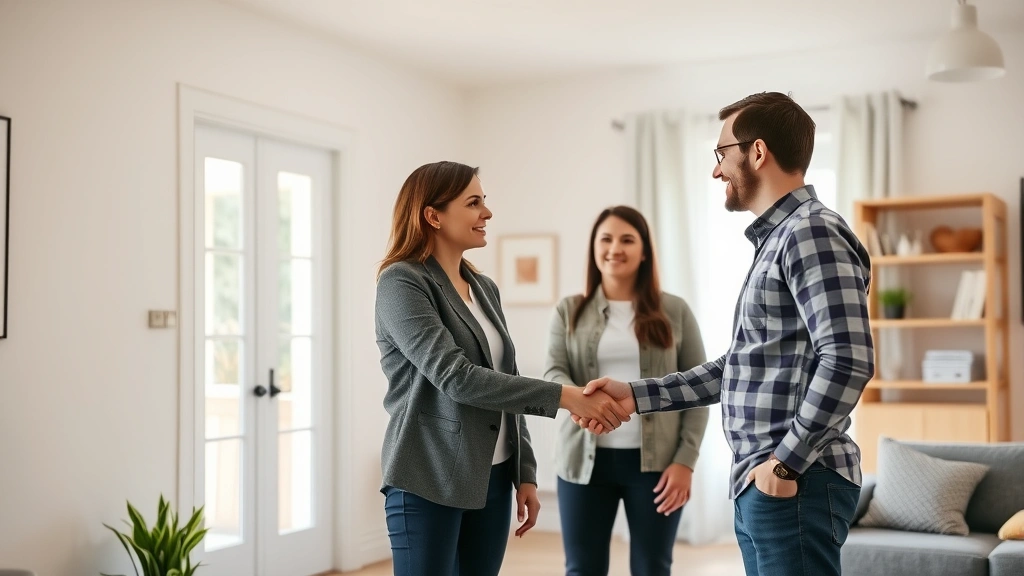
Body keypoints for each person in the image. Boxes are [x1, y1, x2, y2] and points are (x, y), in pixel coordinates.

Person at [577, 92, 874, 576]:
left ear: (757, 152)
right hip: (769, 481)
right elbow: (738, 367)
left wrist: (784, 465)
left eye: (722, 154)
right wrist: (634, 395)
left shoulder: (809, 232)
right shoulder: (779, 239)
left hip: (796, 480)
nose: (716, 170)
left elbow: (848, 359)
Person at [374, 161, 632, 576]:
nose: (487, 213)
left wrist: (524, 473)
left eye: (484, 202)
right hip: (428, 476)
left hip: (492, 479)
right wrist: (566, 397)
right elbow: (456, 378)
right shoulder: (402, 283)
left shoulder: (484, 288)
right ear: (433, 215)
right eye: (473, 203)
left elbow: (504, 380)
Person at [545, 206, 710, 576]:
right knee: (582, 568)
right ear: (593, 247)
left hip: (657, 465)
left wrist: (685, 461)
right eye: (606, 238)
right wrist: (586, 401)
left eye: (627, 239)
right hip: (583, 464)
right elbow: (553, 370)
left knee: (653, 567)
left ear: (644, 250)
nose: (614, 248)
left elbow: (699, 389)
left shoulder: (675, 310)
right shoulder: (568, 310)